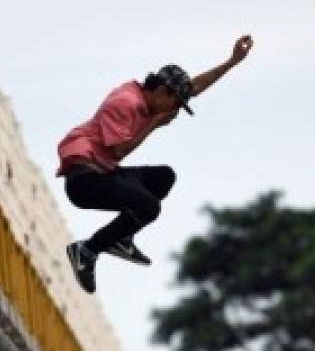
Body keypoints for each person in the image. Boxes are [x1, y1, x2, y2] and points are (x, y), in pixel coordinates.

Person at [58, 35, 255, 293]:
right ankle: (86, 250)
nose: (173, 110)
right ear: (162, 91)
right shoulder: (125, 103)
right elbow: (119, 150)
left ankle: (120, 237)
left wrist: (232, 62)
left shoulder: (152, 98)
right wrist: (154, 124)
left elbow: (192, 87)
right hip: (85, 181)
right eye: (174, 103)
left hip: (103, 173)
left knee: (164, 177)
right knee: (149, 207)